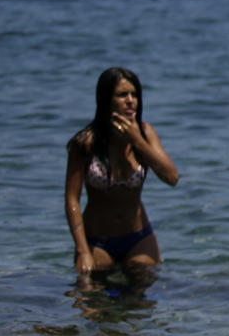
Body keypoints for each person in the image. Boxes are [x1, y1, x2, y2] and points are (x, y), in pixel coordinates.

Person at [65, 67, 179, 287]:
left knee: (140, 310)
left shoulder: (145, 134)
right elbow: (72, 200)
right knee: (89, 302)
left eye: (134, 95)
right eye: (122, 95)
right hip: (97, 241)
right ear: (106, 100)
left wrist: (137, 141)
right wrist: (82, 250)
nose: (130, 101)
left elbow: (172, 177)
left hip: (139, 238)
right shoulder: (85, 143)